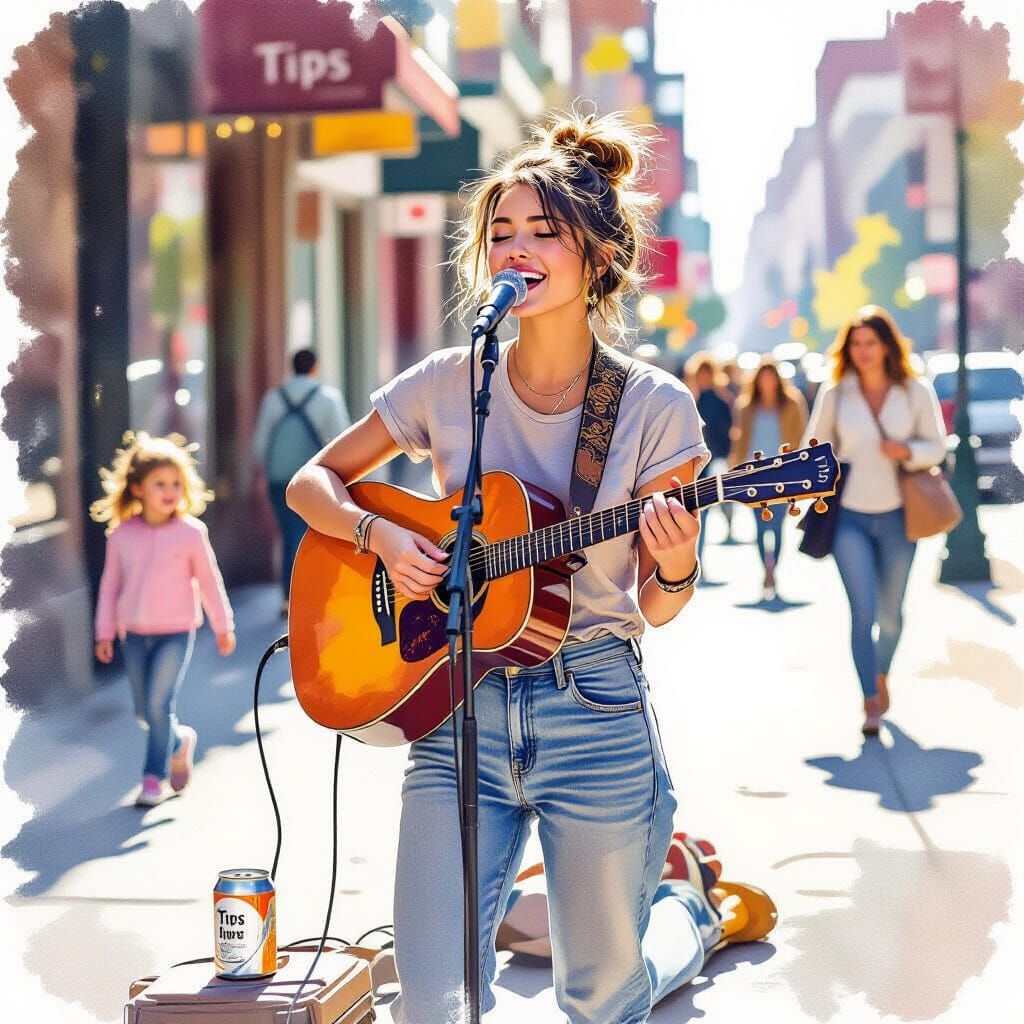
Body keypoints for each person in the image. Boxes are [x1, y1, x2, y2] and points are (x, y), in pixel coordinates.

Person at [286, 106, 775, 1024]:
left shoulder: (653, 409)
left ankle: (686, 916)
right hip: (454, 707)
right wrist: (378, 535)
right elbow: (314, 483)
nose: (516, 246)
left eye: (543, 232)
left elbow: (660, 608)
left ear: (598, 256)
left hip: (592, 705)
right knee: (430, 1004)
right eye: (500, 231)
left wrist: (671, 565)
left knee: (600, 999)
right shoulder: (448, 379)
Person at [803, 306, 946, 734]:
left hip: (902, 517)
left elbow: (937, 447)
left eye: (871, 342)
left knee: (892, 616)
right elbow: (816, 449)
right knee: (861, 612)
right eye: (856, 344)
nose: (864, 351)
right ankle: (869, 699)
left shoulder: (915, 391)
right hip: (850, 519)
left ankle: (881, 673)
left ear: (887, 345)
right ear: (848, 349)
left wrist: (907, 450)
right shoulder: (836, 394)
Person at [91, 432, 236, 807]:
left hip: (176, 632)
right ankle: (179, 741)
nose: (170, 491)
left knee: (158, 707)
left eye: (176, 483)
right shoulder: (122, 535)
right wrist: (104, 631)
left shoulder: (191, 533)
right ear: (138, 488)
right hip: (134, 634)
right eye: (160, 484)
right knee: (144, 712)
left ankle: (152, 779)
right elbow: (109, 586)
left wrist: (223, 625)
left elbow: (209, 581)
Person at [252, 348, 350, 614]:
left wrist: (263, 474)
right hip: (313, 478)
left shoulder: (273, 398)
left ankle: (288, 597)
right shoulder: (328, 398)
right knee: (316, 535)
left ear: (291, 367)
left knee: (289, 535)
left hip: (278, 477)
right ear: (315, 367)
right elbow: (343, 439)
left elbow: (260, 443)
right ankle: (311, 594)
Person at [730, 356, 808, 600]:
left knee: (777, 526)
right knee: (760, 526)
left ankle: (775, 569)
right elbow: (740, 439)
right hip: (755, 475)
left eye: (771, 376)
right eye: (763, 377)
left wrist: (799, 466)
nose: (767, 381)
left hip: (783, 474)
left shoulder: (793, 403)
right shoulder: (746, 406)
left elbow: (801, 435)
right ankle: (766, 568)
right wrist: (736, 467)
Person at [686, 353, 735, 562]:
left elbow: (729, 431)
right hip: (696, 466)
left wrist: (727, 456)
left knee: (723, 503)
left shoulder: (722, 401)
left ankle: (729, 521)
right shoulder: (689, 399)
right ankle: (699, 558)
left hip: (717, 461)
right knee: (699, 514)